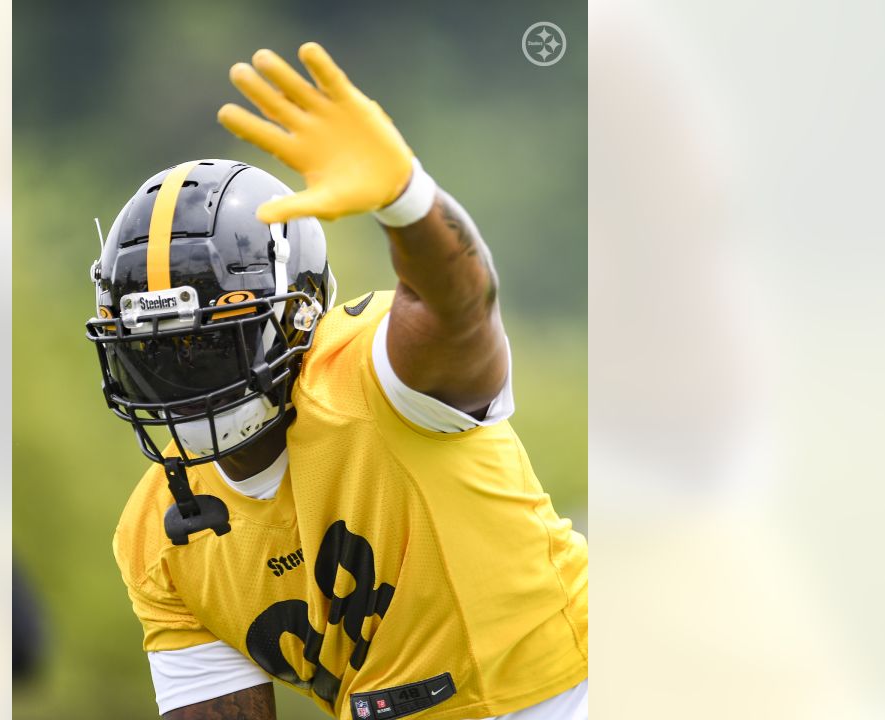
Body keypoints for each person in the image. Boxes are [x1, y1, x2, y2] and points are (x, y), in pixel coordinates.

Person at [85, 42, 587, 720]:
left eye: (212, 338)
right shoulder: (159, 539)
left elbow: (459, 307)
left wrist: (409, 202)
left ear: (298, 314)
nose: (183, 371)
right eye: (158, 350)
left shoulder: (375, 378)